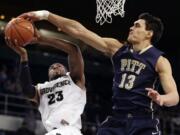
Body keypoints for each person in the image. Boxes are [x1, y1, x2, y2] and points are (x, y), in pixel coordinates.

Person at [18, 11, 179, 135]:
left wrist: (161, 98)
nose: (131, 27)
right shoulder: (116, 48)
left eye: (137, 25)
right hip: (117, 120)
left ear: (149, 33)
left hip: (143, 121)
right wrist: (45, 15)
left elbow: (174, 97)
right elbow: (79, 31)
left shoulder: (159, 60)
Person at [5, 30, 86, 135]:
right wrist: (23, 56)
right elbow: (27, 90)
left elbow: (74, 50)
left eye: (59, 66)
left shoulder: (73, 79)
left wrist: (42, 39)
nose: (55, 66)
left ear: (67, 71)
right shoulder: (42, 88)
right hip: (52, 131)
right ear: (48, 75)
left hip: (69, 130)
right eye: (52, 67)